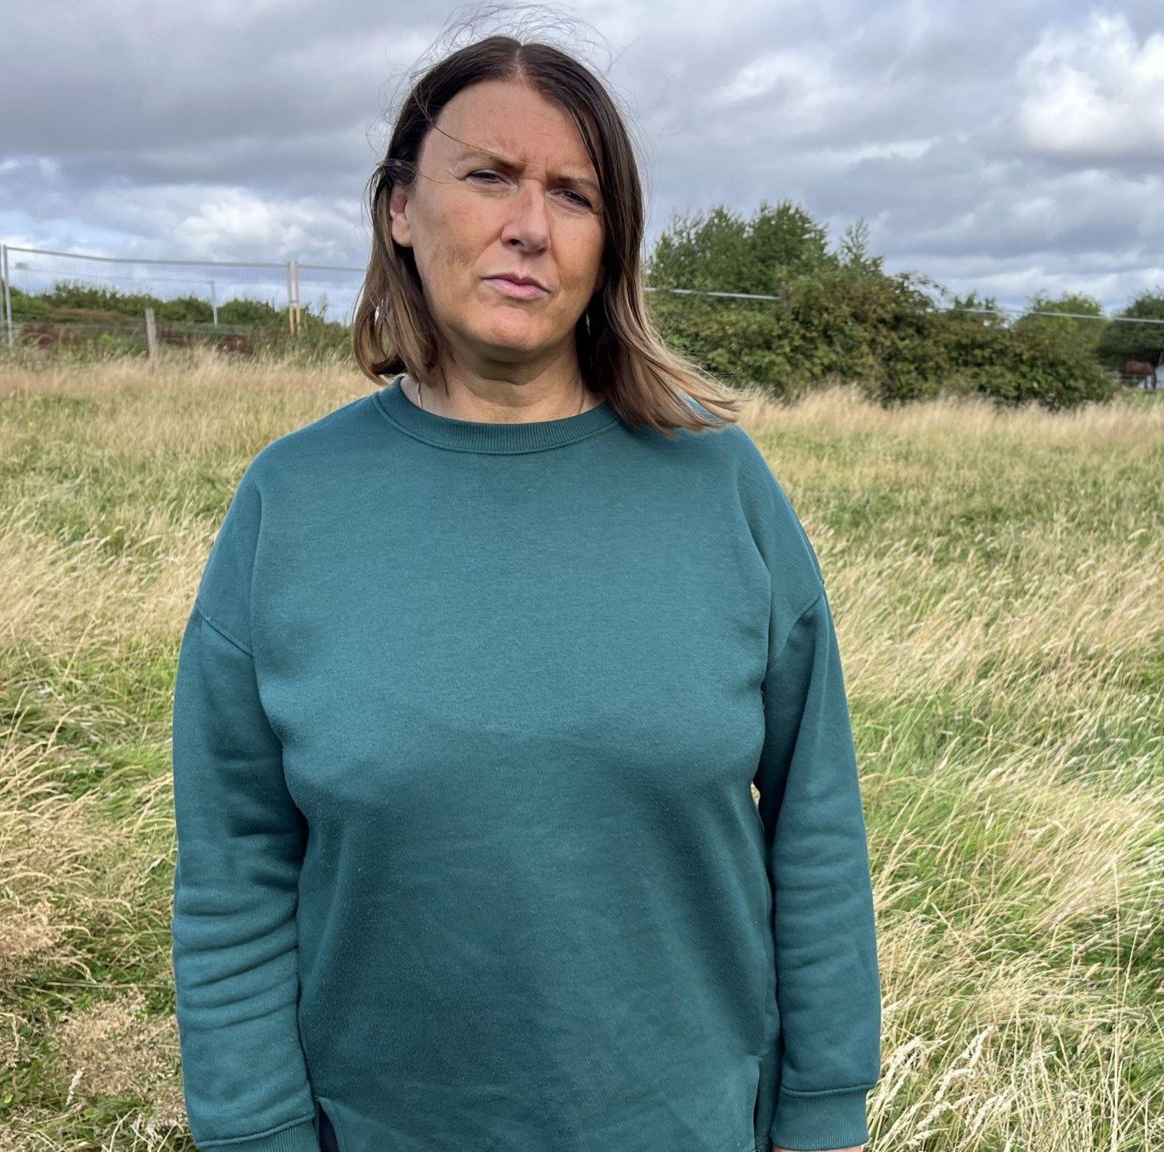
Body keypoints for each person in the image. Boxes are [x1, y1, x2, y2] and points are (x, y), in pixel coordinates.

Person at [168, 32, 881, 1152]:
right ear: (399, 205)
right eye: (488, 175)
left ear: (611, 243)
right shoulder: (292, 504)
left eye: (573, 193)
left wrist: (824, 1112)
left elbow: (818, 826)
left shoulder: (721, 489)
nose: (528, 227)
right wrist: (253, 1133)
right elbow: (235, 868)